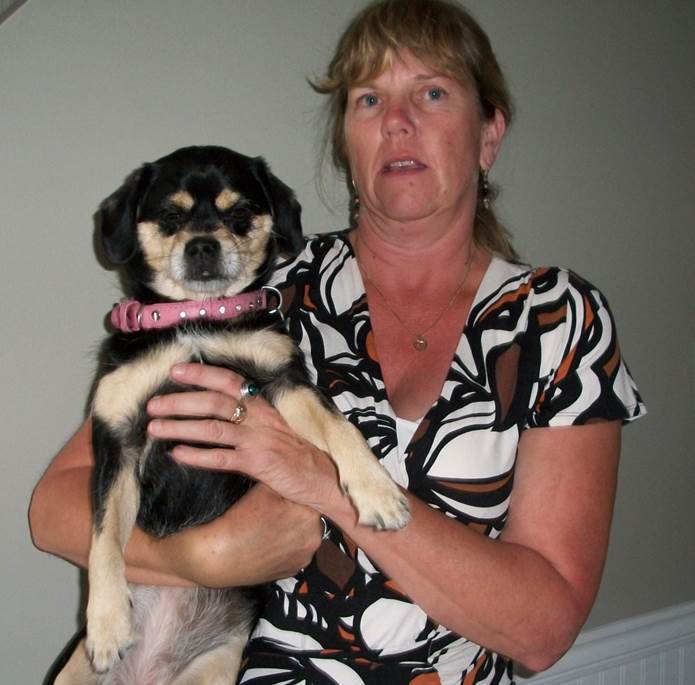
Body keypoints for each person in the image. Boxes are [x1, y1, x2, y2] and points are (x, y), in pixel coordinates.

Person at [29, 0, 646, 683]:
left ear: (488, 135)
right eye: (369, 99)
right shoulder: (257, 287)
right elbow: (53, 508)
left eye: (432, 93)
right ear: (346, 144)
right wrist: (204, 557)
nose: (397, 120)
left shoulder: (557, 319)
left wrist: (325, 482)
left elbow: (542, 632)